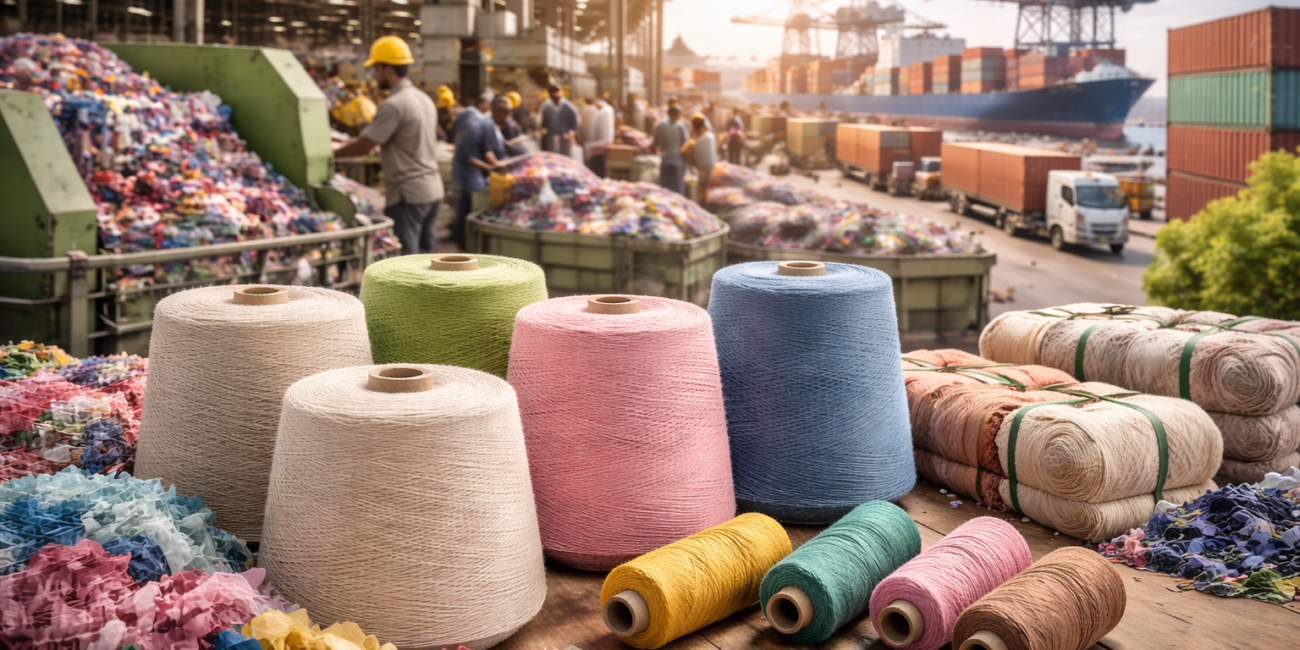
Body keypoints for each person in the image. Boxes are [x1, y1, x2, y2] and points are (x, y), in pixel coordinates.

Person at [333, 36, 443, 256]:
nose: (375, 76)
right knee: (428, 262)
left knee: (406, 266)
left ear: (388, 70)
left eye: (377, 69)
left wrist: (331, 152)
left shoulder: (393, 104)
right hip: (432, 191)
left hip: (408, 195)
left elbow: (365, 145)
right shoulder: (424, 99)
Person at [450, 91, 505, 250]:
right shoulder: (473, 120)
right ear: (487, 105)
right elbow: (467, 153)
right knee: (466, 213)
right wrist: (491, 167)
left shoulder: (472, 118)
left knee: (465, 212)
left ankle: (462, 243)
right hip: (468, 176)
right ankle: (462, 246)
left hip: (469, 175)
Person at [652, 105, 690, 195]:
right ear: (674, 114)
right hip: (677, 160)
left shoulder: (660, 125)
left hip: (666, 160)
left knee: (665, 189)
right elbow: (685, 143)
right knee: (677, 189)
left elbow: (655, 144)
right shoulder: (680, 126)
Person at [683, 113, 716, 205]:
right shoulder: (710, 135)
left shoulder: (697, 139)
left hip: (701, 166)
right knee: (705, 186)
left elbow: (688, 152)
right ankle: (705, 204)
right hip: (709, 164)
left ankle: (702, 205)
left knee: (701, 187)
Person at [539, 84, 579, 157]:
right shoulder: (547, 106)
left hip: (564, 136)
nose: (557, 93)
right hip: (551, 135)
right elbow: (544, 122)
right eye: (555, 92)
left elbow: (574, 117)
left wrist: (572, 130)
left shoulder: (566, 105)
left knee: (565, 156)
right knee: (552, 156)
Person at [584, 97, 616, 177]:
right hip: (598, 149)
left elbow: (607, 138)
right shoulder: (605, 111)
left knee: (596, 175)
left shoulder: (605, 112)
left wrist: (590, 146)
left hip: (598, 150)